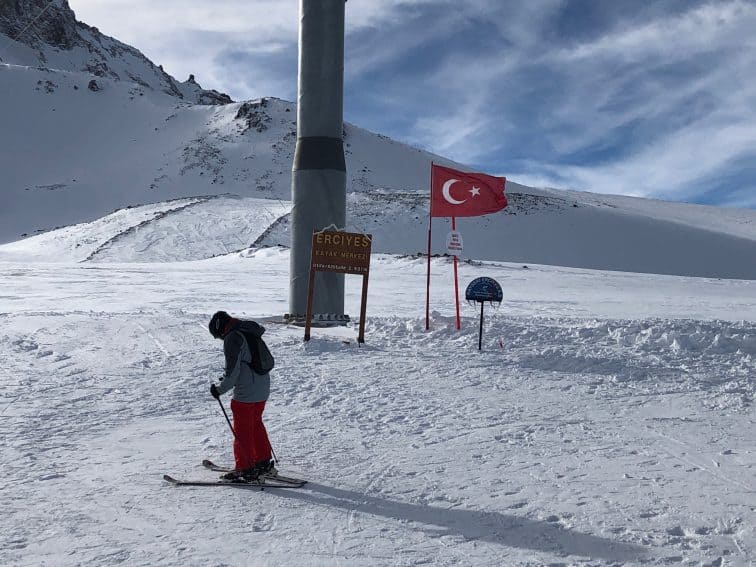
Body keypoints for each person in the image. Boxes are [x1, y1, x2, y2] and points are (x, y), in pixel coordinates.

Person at [208, 310, 276, 480]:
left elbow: (233, 371)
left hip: (246, 392)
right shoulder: (248, 330)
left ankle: (245, 468)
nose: (221, 339)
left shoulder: (233, 338)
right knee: (256, 424)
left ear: (221, 329)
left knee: (242, 430)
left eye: (219, 336)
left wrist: (219, 389)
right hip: (262, 387)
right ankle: (263, 462)